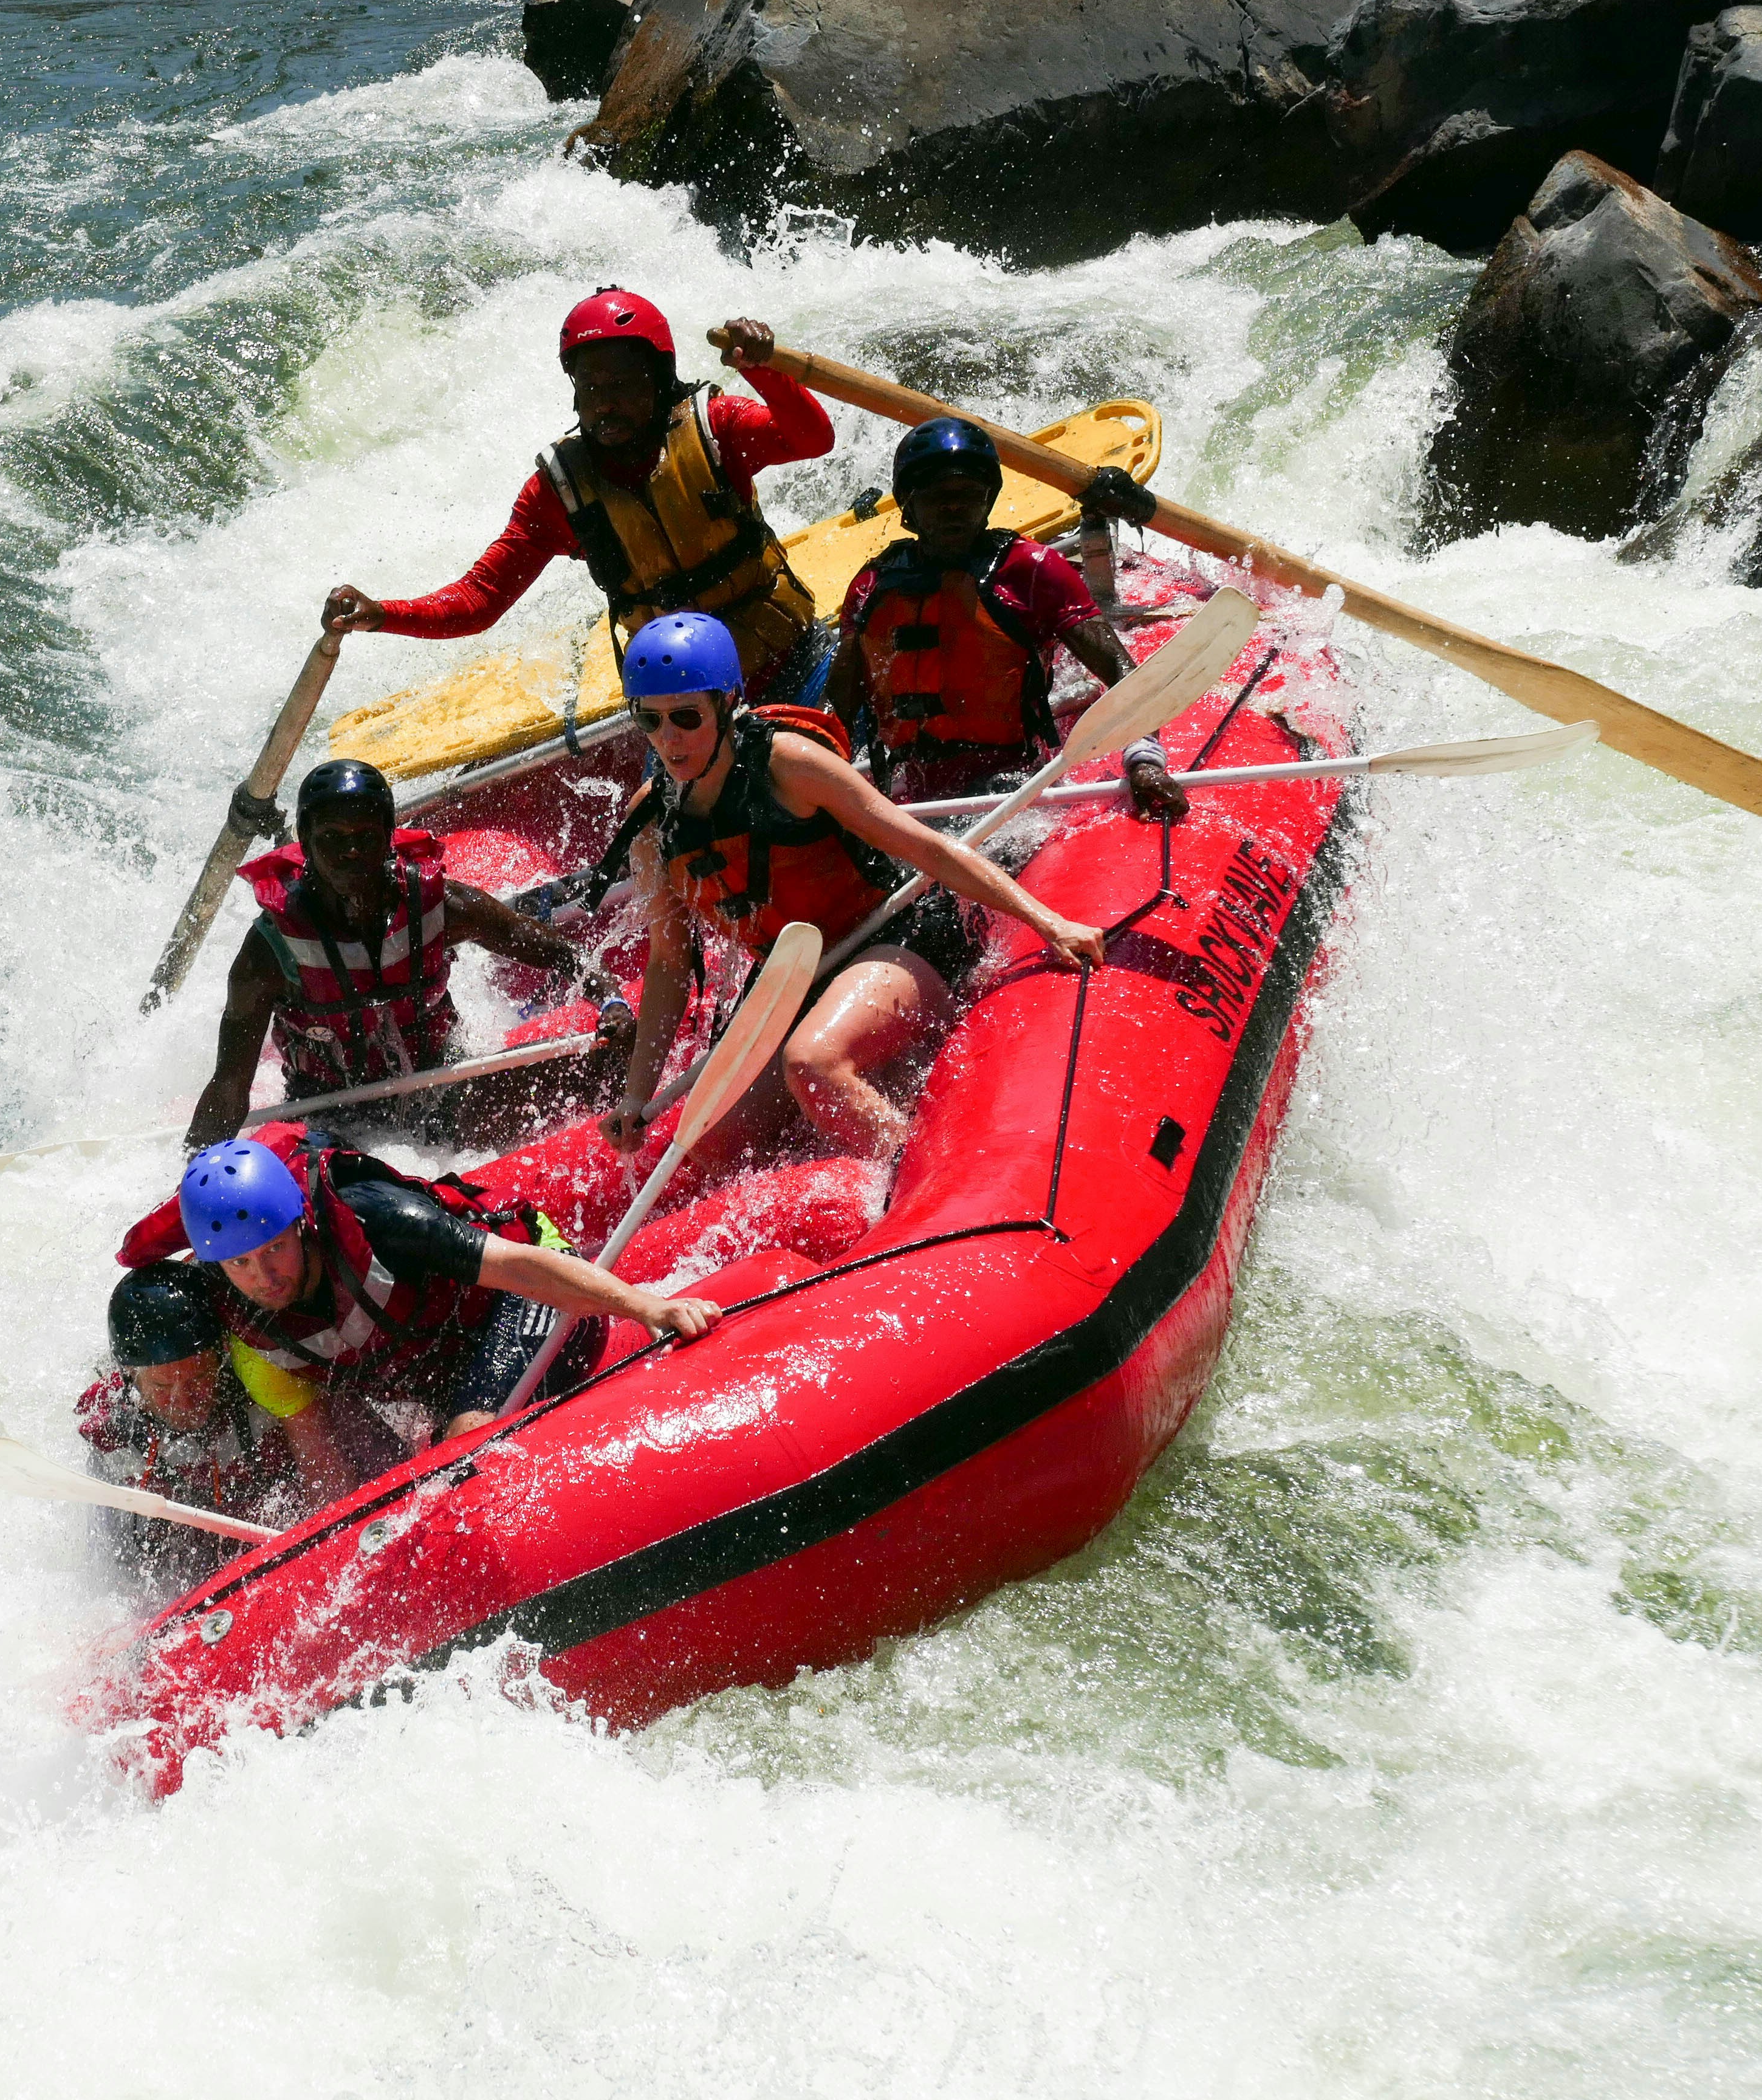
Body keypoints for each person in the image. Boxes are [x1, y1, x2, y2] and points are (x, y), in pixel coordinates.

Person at [599, 611, 1146, 1164]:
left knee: (813, 1064)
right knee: (709, 1142)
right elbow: (670, 960)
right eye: (650, 720)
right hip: (793, 975)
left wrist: (1048, 922)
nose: (668, 739)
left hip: (894, 932)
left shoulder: (791, 765)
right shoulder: (650, 820)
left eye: (687, 716)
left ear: (726, 703)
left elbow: (928, 850)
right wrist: (637, 1093)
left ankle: (919, 1177)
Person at [319, 291, 838, 705]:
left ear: (658, 382)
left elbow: (814, 439)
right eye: (590, 387)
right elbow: (480, 600)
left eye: (621, 385)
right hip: (683, 706)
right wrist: (383, 613)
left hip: (793, 655)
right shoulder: (558, 490)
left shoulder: (716, 428)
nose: (604, 404)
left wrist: (764, 371)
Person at [120, 1128, 722, 1482]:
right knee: (430, 1467)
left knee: (466, 1436)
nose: (263, 1277)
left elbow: (518, 1268)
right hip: (446, 1359)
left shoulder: (376, 1218)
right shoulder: (231, 1304)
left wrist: (648, 1307)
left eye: (274, 1250)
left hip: (527, 1306)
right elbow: (320, 1454)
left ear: (300, 1224)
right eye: (240, 1264)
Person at [187, 758, 632, 1149]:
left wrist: (612, 1001)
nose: (352, 853)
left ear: (388, 835)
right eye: (332, 838)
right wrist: (189, 1186)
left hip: (440, 1083)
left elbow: (563, 954)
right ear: (305, 841)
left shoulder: (443, 907)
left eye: (366, 836)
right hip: (329, 1115)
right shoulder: (269, 951)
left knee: (605, 1066)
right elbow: (229, 1086)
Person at [830, 416, 1193, 818]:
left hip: (1014, 784)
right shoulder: (871, 586)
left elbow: (1124, 673)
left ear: (988, 500)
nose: (955, 509)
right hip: (911, 790)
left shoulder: (1032, 570)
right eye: (938, 497)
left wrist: (1144, 760)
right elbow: (840, 711)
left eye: (969, 495)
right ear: (908, 506)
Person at [77, 1258, 307, 1591]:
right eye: (161, 1388)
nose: (184, 1403)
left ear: (222, 1353)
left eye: (198, 1378)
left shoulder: (266, 1382)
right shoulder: (112, 1434)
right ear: (131, 1375)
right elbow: (118, 1567)